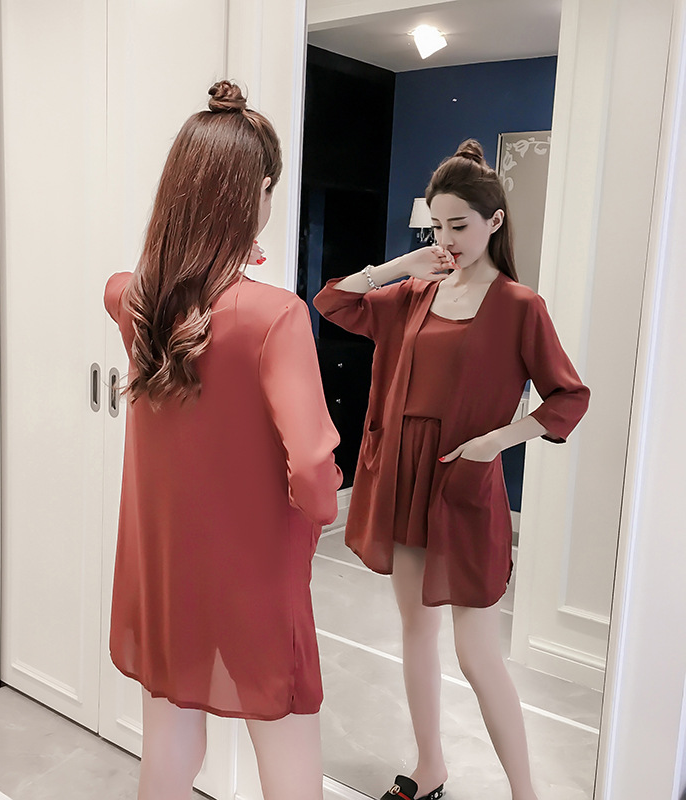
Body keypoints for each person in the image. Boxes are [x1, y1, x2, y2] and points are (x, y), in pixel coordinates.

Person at [314, 139, 589, 800]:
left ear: (495, 221)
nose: (447, 239)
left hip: (462, 483)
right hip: (405, 478)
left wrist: (498, 441)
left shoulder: (520, 306)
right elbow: (332, 302)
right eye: (437, 226)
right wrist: (403, 264)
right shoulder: (415, 294)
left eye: (459, 225)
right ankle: (429, 766)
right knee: (416, 631)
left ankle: (525, 792)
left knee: (476, 653)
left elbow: (568, 396)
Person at [104, 80, 342, 800]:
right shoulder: (275, 317)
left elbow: (123, 284)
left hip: (164, 565)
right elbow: (314, 475)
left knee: (169, 746)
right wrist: (316, 513)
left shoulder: (134, 299)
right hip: (255, 573)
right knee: (288, 750)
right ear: (259, 193)